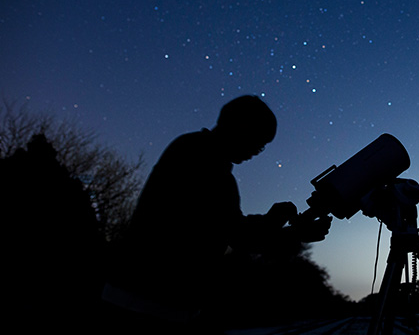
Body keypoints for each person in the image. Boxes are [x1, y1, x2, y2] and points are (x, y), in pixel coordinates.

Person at [101, 95, 331, 334]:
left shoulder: (192, 150)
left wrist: (273, 221)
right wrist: (295, 233)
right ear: (243, 127)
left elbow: (217, 224)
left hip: (139, 298)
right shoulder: (206, 161)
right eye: (259, 142)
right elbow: (238, 236)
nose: (258, 151)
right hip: (147, 304)